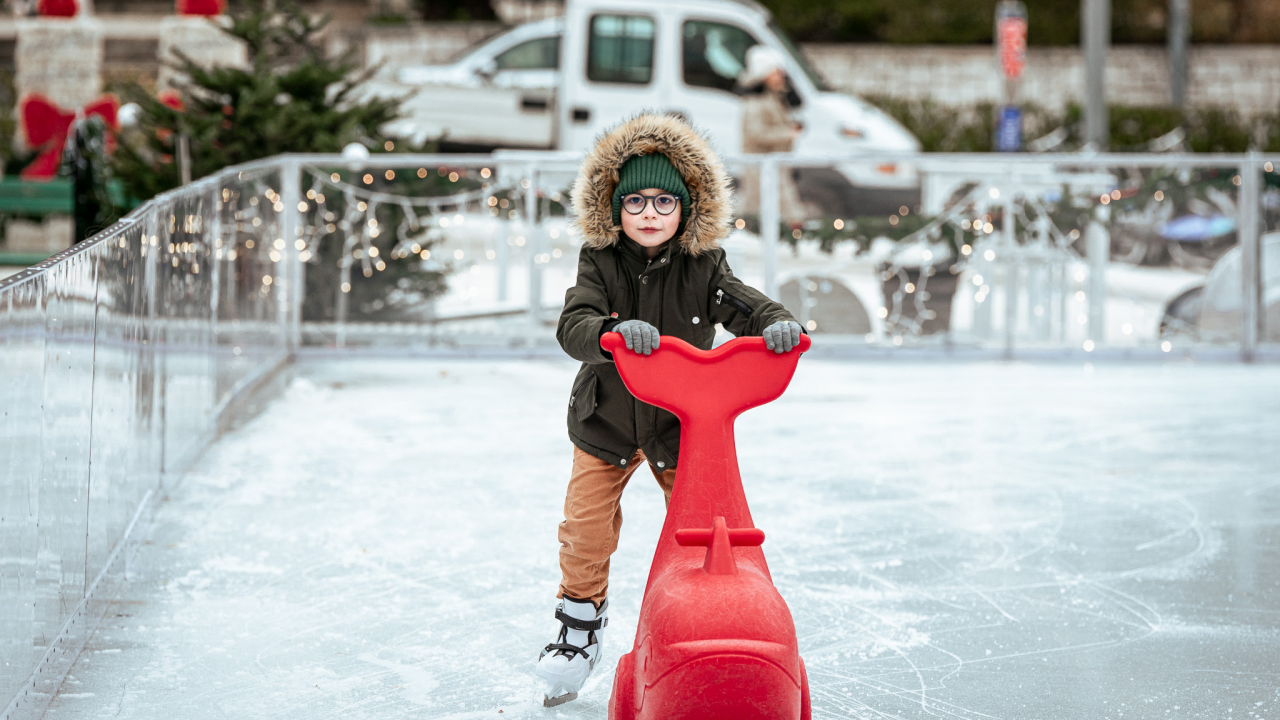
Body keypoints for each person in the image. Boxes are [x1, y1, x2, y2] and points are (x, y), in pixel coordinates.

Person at [535, 113, 803, 707]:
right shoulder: (599, 261)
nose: (649, 212)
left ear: (688, 208)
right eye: (635, 201)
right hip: (605, 421)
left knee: (700, 534)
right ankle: (578, 630)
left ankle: (700, 620)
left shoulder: (703, 266)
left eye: (664, 200)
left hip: (679, 428)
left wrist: (777, 322)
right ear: (613, 208)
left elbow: (747, 306)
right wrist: (608, 332)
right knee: (585, 531)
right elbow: (572, 323)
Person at [736, 45, 807, 224]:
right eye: (776, 71)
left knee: (772, 204)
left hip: (773, 163)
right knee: (758, 205)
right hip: (760, 165)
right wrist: (788, 134)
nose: (781, 76)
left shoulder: (774, 97)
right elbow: (756, 133)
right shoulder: (755, 102)